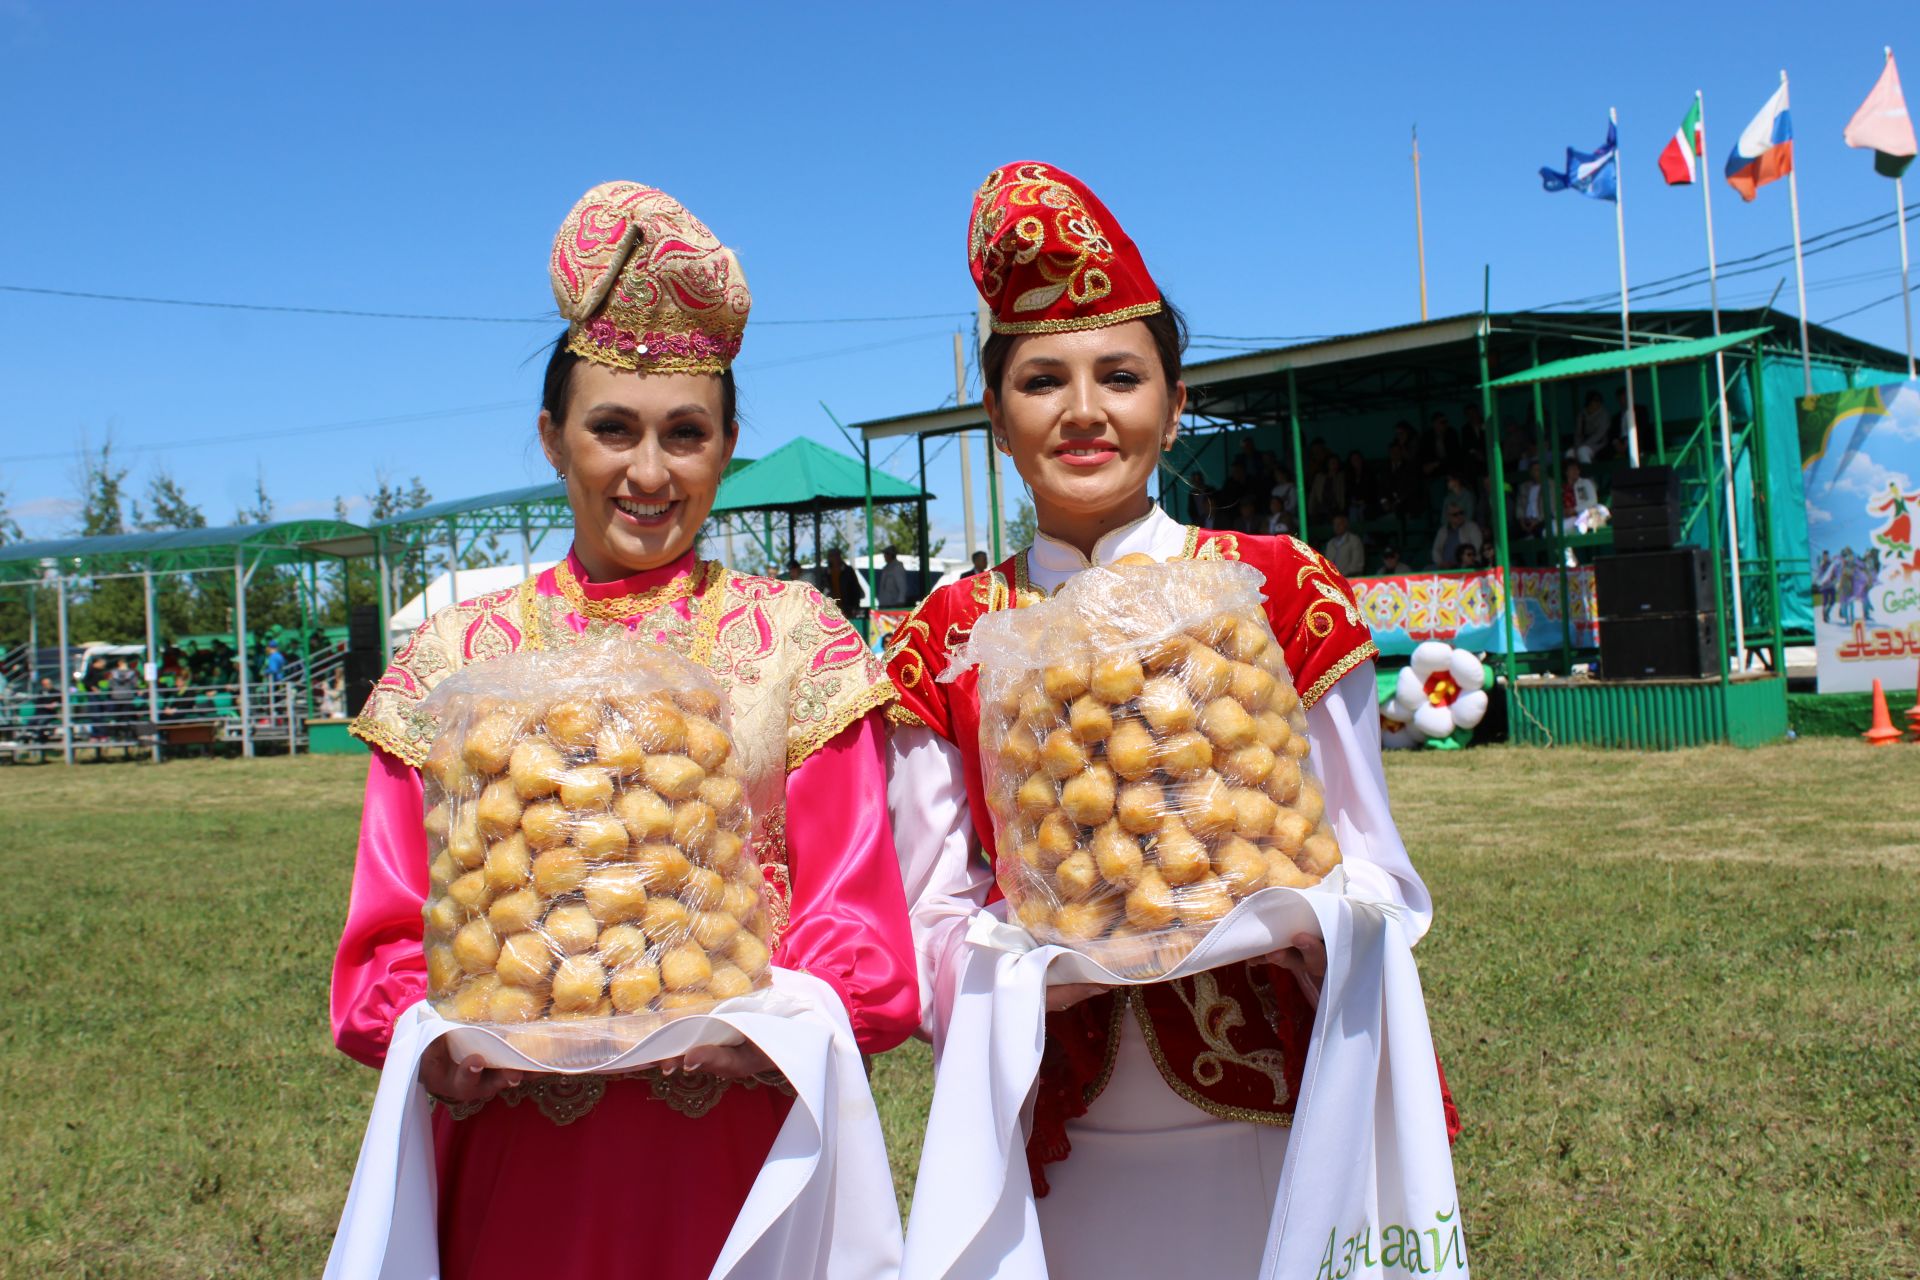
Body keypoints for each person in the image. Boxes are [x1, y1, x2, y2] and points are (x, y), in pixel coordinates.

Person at [332, 180, 917, 1280]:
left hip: (741, 1152)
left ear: (728, 444)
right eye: (613, 429)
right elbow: (383, 952)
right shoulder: (454, 661)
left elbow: (863, 937)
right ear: (552, 438)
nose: (649, 472)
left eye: (686, 434)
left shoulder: (796, 643)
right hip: (522, 1154)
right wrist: (442, 1041)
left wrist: (752, 1023)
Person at [885, 160, 1455, 1279]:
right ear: (996, 414)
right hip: (1057, 1147)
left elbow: (1375, 871)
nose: (1086, 410)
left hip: (1277, 1128)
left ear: (1177, 402)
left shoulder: (1275, 588)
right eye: (1043, 379)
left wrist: (1290, 913)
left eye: (1122, 375)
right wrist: (1050, 964)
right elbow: (927, 920)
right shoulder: (948, 633)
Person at [823, 545, 865, 620]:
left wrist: (855, 607)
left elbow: (855, 590)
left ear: (839, 556)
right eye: (831, 556)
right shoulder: (826, 573)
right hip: (831, 609)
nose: (834, 558)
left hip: (847, 609)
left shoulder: (848, 571)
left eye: (836, 555)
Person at [1569, 390, 1610, 464]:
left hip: (1599, 444)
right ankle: (1574, 475)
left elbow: (1599, 434)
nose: (1597, 403)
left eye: (1599, 401)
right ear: (1589, 402)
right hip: (1582, 443)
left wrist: (1583, 445)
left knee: (1582, 451)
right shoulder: (1582, 415)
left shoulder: (1604, 414)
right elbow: (1578, 434)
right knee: (1570, 453)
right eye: (1595, 400)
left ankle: (1588, 475)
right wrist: (1577, 446)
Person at [1323, 511, 1366, 576]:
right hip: (1331, 580)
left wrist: (1341, 577)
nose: (1337, 526)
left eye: (1339, 524)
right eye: (1335, 524)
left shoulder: (1354, 540)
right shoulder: (1330, 543)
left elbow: (1357, 565)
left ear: (1345, 524)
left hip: (1349, 579)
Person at [1516, 460, 1548, 538]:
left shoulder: (1550, 485)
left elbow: (1551, 507)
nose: (1537, 472)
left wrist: (1536, 522)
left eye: (1538, 470)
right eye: (1534, 470)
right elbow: (1519, 505)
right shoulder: (1524, 487)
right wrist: (1521, 522)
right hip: (1526, 521)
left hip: (1542, 520)